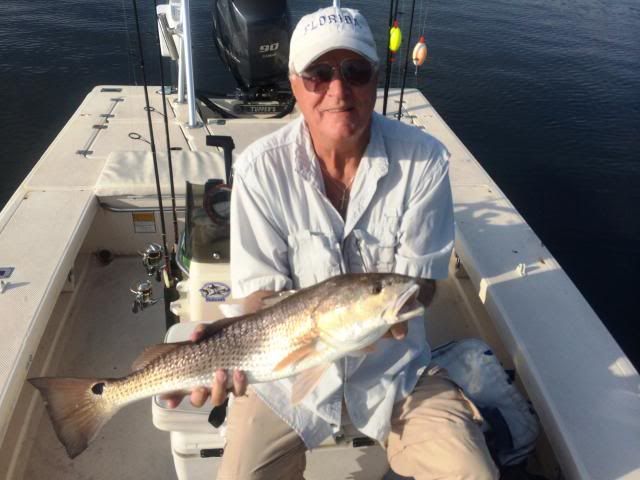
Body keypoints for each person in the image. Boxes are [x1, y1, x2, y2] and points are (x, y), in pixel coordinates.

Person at [166, 6, 498, 480]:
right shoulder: (260, 171)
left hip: (396, 377)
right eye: (318, 74)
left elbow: (421, 287)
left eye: (355, 72)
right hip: (281, 377)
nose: (338, 91)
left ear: (375, 80)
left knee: (472, 474)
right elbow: (260, 295)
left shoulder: (424, 162)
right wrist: (224, 350)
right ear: (295, 84)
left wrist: (376, 317)